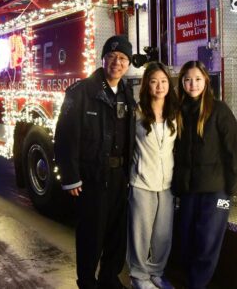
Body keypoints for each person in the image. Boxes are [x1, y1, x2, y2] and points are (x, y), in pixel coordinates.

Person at [54, 35, 136, 289]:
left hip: (119, 175)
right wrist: (70, 176)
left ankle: (109, 278)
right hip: (92, 177)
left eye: (123, 58)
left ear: (128, 63)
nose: (117, 63)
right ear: (103, 59)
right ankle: (87, 281)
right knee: (92, 233)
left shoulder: (126, 93)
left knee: (116, 233)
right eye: (112, 57)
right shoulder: (81, 92)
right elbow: (64, 136)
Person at [173, 60, 237, 289]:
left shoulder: (219, 110)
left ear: (206, 80)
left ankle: (197, 285)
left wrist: (235, 189)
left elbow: (234, 149)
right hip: (189, 191)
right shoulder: (178, 112)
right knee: (186, 241)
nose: (192, 84)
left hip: (218, 193)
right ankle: (190, 281)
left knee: (208, 242)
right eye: (187, 79)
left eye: (197, 79)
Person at [127, 62, 178, 289]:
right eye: (154, 81)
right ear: (147, 84)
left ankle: (156, 272)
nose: (159, 86)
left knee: (163, 234)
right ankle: (139, 276)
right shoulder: (136, 112)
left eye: (164, 81)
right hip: (142, 182)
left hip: (167, 184)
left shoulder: (175, 113)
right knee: (140, 233)